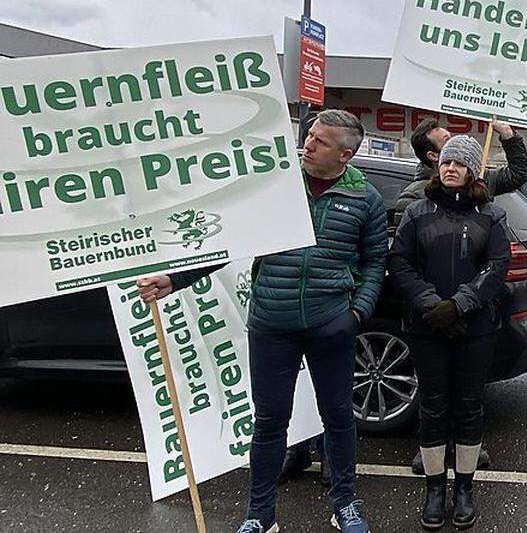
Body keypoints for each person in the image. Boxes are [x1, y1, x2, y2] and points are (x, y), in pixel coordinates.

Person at [137, 110, 388, 533]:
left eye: (319, 142)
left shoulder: (366, 199)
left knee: (339, 417)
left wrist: (356, 314)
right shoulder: (276, 185)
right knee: (270, 422)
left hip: (331, 323)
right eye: (308, 136)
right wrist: (174, 279)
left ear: (345, 154)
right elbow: (228, 240)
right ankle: (260, 515)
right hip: (272, 322)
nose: (306, 144)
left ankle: (345, 504)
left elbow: (375, 261)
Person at [388, 135, 511, 531]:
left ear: (473, 169)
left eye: (459, 163)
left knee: (469, 407)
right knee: (433, 406)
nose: (450, 168)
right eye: (445, 162)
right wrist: (430, 304)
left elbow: (496, 267)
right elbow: (400, 264)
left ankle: (464, 488)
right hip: (427, 329)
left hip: (475, 329)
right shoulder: (417, 213)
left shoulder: (491, 216)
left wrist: (459, 304)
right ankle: (434, 488)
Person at [396, 117, 527, 213]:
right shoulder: (414, 197)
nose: (455, 142)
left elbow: (519, 173)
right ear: (433, 156)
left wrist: (509, 136)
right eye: (448, 141)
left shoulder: (480, 179)